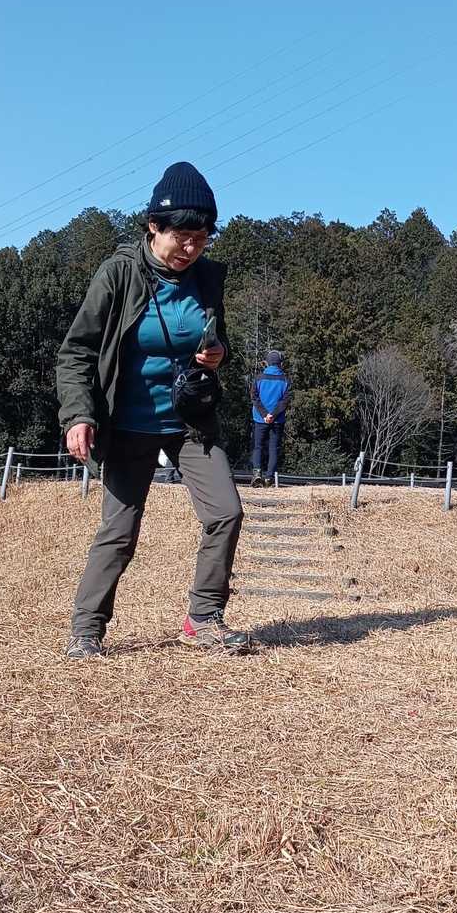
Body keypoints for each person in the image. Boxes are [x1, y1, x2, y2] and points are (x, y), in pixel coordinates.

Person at [56, 161, 248, 659]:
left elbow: (214, 338)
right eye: (182, 237)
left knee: (226, 512)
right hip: (126, 423)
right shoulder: (118, 274)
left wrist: (217, 353)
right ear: (153, 227)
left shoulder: (206, 278)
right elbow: (76, 352)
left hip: (189, 422)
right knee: (119, 531)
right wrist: (78, 416)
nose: (191, 249)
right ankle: (87, 630)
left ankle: (203, 618)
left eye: (201, 239)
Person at [250, 351, 292, 487]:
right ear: (280, 363)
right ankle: (269, 479)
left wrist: (264, 414)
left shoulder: (258, 378)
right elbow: (285, 401)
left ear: (267, 363)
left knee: (258, 447)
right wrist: (273, 415)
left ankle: (257, 474)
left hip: (260, 419)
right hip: (277, 420)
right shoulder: (285, 380)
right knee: (273, 448)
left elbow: (254, 397)